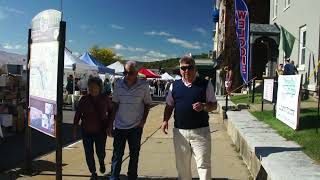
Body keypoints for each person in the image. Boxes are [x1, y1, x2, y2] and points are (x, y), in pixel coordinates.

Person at [161, 55, 217, 180]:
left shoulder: (205, 84)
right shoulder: (174, 86)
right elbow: (169, 106)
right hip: (180, 132)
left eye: (189, 68)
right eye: (183, 68)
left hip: (200, 132)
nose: (186, 71)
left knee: (204, 165)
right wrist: (165, 120)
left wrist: (204, 106)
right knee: (182, 167)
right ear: (180, 70)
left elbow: (214, 106)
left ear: (195, 68)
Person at [109, 61, 152, 180]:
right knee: (117, 155)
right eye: (125, 72)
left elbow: (147, 103)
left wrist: (143, 120)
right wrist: (110, 124)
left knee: (134, 155)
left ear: (137, 73)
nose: (127, 75)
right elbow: (115, 104)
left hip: (135, 127)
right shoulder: (118, 84)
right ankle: (114, 177)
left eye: (130, 73)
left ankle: (132, 177)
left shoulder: (143, 85)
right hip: (119, 126)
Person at [73, 77, 112, 180]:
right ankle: (93, 172)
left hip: (101, 131)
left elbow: (111, 111)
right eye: (90, 87)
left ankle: (101, 161)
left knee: (100, 152)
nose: (92, 89)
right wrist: (75, 127)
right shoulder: (84, 99)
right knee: (88, 153)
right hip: (86, 131)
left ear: (100, 87)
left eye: (94, 87)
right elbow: (77, 114)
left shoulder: (105, 99)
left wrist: (110, 125)